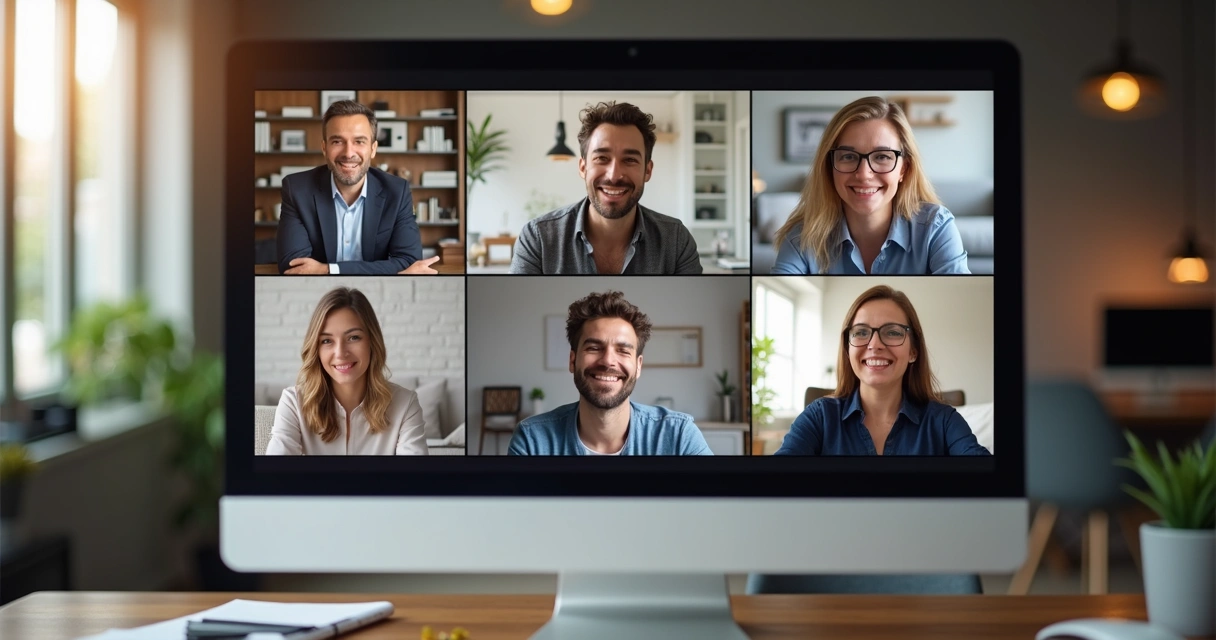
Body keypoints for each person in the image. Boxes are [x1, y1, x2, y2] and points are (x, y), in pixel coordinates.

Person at [774, 285, 989, 456]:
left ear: (913, 351)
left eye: (893, 332)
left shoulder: (944, 421)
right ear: (848, 350)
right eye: (861, 332)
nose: (875, 344)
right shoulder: (819, 416)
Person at [771, 96, 969, 275]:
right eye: (848, 156)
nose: (864, 174)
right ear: (829, 167)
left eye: (882, 156)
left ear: (904, 169)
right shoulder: (801, 238)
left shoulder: (935, 228)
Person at [508, 290, 712, 455]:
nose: (608, 361)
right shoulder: (532, 440)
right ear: (572, 360)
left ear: (638, 366)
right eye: (594, 348)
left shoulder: (679, 435)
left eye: (623, 350)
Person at [509, 101, 702, 275]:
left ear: (648, 170)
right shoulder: (538, 239)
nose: (614, 175)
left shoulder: (676, 241)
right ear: (583, 168)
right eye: (602, 158)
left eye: (630, 160)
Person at [276, 100, 439, 275]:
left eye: (359, 141)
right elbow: (294, 267)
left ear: (373, 149)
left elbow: (409, 262)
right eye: (337, 141)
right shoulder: (297, 190)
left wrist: (328, 269)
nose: (348, 153)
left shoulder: (397, 192)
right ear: (324, 148)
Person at [266, 287, 428, 455]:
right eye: (327, 340)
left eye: (353, 337)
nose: (340, 353)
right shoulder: (293, 403)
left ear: (372, 342)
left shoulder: (405, 404)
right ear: (316, 348)